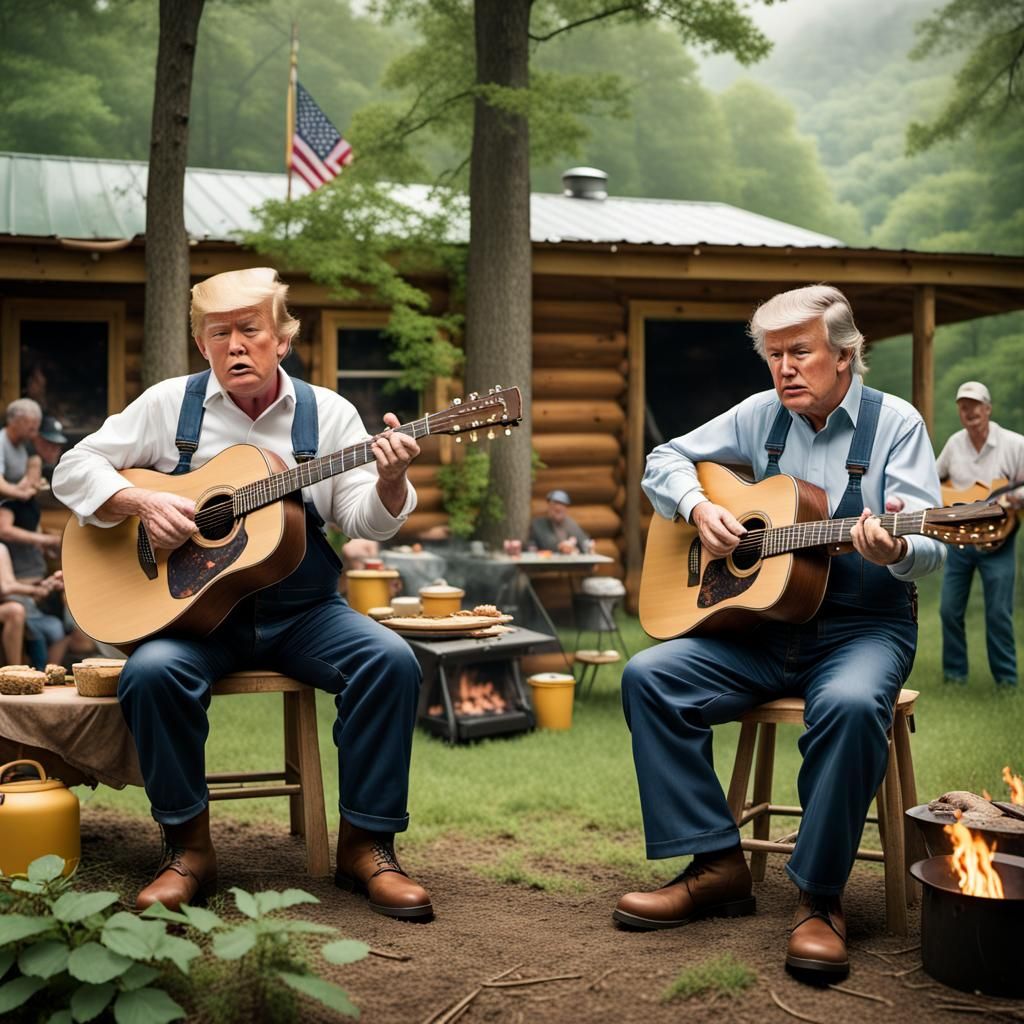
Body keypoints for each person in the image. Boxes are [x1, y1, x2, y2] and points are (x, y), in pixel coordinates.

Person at [52, 267, 431, 919]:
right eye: (218, 333)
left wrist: (392, 482)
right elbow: (72, 466)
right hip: (195, 620)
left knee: (390, 662)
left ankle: (367, 847)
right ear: (202, 344)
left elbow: (362, 518)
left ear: (281, 340)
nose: (234, 346)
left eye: (249, 331)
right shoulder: (169, 406)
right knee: (150, 673)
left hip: (303, 613)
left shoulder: (329, 413)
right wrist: (137, 498)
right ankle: (187, 850)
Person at [615, 285, 944, 982]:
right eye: (774, 355)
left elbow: (934, 543)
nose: (784, 369)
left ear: (846, 355)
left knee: (853, 707)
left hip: (863, 628)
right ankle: (715, 865)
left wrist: (894, 548)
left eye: (800, 352)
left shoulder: (897, 424)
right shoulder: (761, 415)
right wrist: (698, 504)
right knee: (649, 676)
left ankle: (820, 900)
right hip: (761, 629)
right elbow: (663, 458)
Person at [936, 381, 1024, 688]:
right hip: (961, 540)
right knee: (948, 609)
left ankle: (1006, 681)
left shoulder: (1014, 444)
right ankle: (954, 676)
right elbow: (933, 480)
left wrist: (1016, 497)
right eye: (963, 406)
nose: (969, 411)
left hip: (999, 541)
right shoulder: (954, 444)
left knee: (998, 612)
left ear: (988, 409)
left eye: (975, 405)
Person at [0, 398, 46, 502]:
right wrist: (20, 493)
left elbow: (34, 470)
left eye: (36, 426)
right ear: (13, 422)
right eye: (31, 428)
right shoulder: (1, 441)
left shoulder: (25, 443)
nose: (34, 432)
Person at [529, 489, 590, 553]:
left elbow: (584, 541)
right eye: (555, 504)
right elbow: (532, 546)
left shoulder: (571, 524)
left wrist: (588, 546)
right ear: (549, 506)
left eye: (562, 505)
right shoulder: (538, 524)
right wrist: (560, 547)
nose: (558, 507)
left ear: (566, 508)